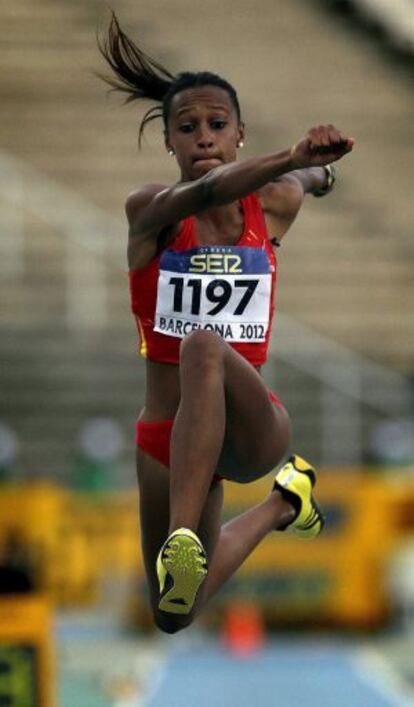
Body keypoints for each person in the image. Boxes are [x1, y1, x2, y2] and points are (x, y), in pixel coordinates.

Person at [98, 13, 354, 634]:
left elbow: (306, 179)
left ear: (239, 134)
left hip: (250, 426)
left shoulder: (274, 201)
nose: (203, 137)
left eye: (217, 125)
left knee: (204, 344)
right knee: (171, 615)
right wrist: (294, 159)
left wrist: (322, 172)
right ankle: (285, 505)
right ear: (168, 143)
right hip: (167, 438)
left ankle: (182, 538)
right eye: (186, 128)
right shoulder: (149, 213)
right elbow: (210, 192)